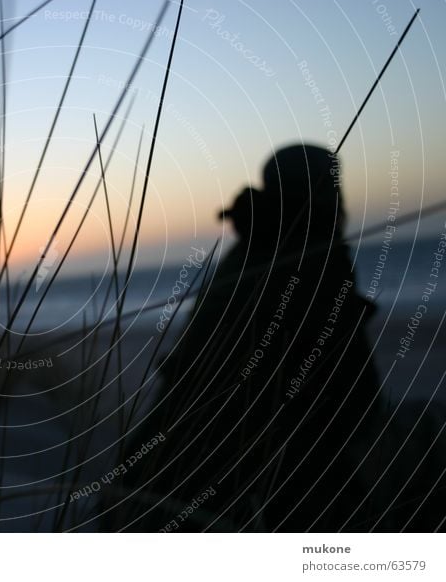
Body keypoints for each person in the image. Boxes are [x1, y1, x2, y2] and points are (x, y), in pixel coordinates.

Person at [108, 143, 382, 531]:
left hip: (163, 481)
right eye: (334, 186)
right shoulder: (311, 252)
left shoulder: (254, 246)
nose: (342, 200)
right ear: (322, 191)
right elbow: (357, 401)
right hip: (224, 492)